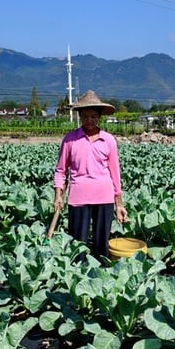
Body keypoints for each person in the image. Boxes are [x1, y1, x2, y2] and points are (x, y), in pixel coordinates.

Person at [51, 90, 128, 259]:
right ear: (79, 116)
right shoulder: (70, 139)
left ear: (99, 116)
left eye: (93, 116)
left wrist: (119, 204)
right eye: (85, 116)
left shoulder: (108, 140)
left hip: (104, 197)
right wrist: (58, 195)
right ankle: (77, 279)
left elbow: (115, 174)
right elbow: (61, 170)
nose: (89, 120)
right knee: (77, 244)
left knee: (102, 245)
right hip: (78, 198)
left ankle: (101, 278)